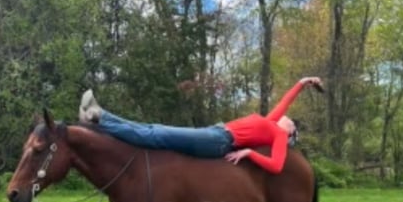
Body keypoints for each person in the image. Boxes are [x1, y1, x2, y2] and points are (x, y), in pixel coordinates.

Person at [78, 76, 323, 174]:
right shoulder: (271, 121)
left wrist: (248, 153)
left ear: (290, 132)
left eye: (291, 123)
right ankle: (99, 116)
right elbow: (286, 100)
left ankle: (99, 118)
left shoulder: (278, 136)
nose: (288, 118)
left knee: (158, 134)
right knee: (154, 129)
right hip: (217, 132)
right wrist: (303, 83)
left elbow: (277, 165)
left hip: (220, 141)